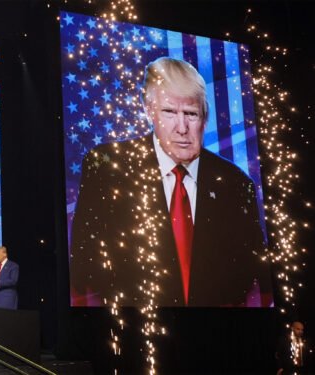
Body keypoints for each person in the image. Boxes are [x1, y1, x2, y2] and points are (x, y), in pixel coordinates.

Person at [70, 56, 272, 307]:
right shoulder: (106, 166)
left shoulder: (236, 184)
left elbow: (252, 273)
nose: (182, 127)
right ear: (148, 110)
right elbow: (84, 263)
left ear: (205, 117)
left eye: (191, 114)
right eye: (169, 112)